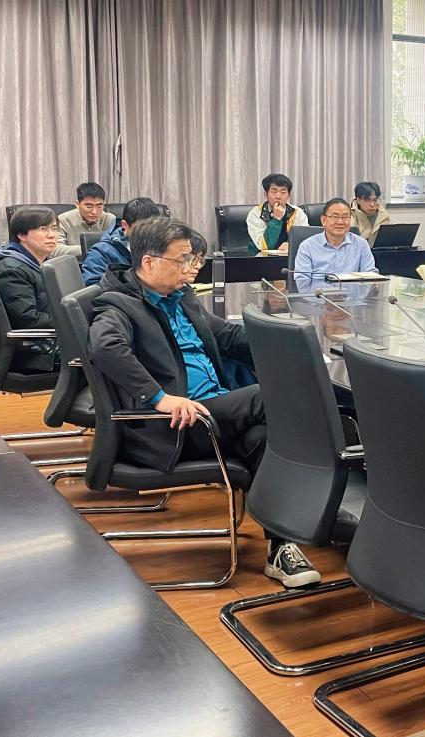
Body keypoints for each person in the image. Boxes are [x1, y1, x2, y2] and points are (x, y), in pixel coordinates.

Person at [90, 217, 321, 589]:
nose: (190, 268)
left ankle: (281, 547)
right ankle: (329, 482)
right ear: (149, 262)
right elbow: (106, 348)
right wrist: (160, 398)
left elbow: (225, 335)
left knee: (264, 438)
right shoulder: (117, 304)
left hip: (217, 410)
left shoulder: (180, 297)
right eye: (181, 260)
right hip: (178, 426)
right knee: (273, 396)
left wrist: (287, 342)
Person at [0, 206, 60, 372]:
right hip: (37, 351)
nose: (51, 235)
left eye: (54, 228)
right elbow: (29, 319)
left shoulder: (42, 263)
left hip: (51, 339)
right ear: (22, 235)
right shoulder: (12, 269)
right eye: (43, 229)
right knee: (105, 355)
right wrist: (72, 320)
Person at [293, 198, 377, 290]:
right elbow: (302, 284)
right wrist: (327, 294)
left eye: (345, 217)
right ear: (323, 220)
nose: (340, 222)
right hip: (318, 297)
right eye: (335, 217)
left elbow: (371, 277)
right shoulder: (307, 247)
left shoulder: (361, 245)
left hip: (353, 298)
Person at [80, 197, 163, 286]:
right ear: (125, 225)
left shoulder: (163, 245)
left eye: (154, 228)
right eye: (142, 229)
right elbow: (94, 288)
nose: (149, 234)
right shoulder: (101, 253)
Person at [247, 173, 309, 253]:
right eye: (274, 192)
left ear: (289, 195)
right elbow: (264, 246)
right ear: (266, 194)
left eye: (283, 192)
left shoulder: (297, 212)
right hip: (261, 258)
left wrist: (291, 244)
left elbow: (306, 240)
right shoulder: (255, 214)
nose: (278, 196)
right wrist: (277, 219)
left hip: (290, 257)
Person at [57, 182, 116, 257]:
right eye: (89, 207)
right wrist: (88, 249)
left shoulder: (110, 219)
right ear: (77, 204)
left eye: (99, 206)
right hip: (75, 262)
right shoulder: (63, 220)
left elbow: (118, 245)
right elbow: (55, 249)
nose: (94, 212)